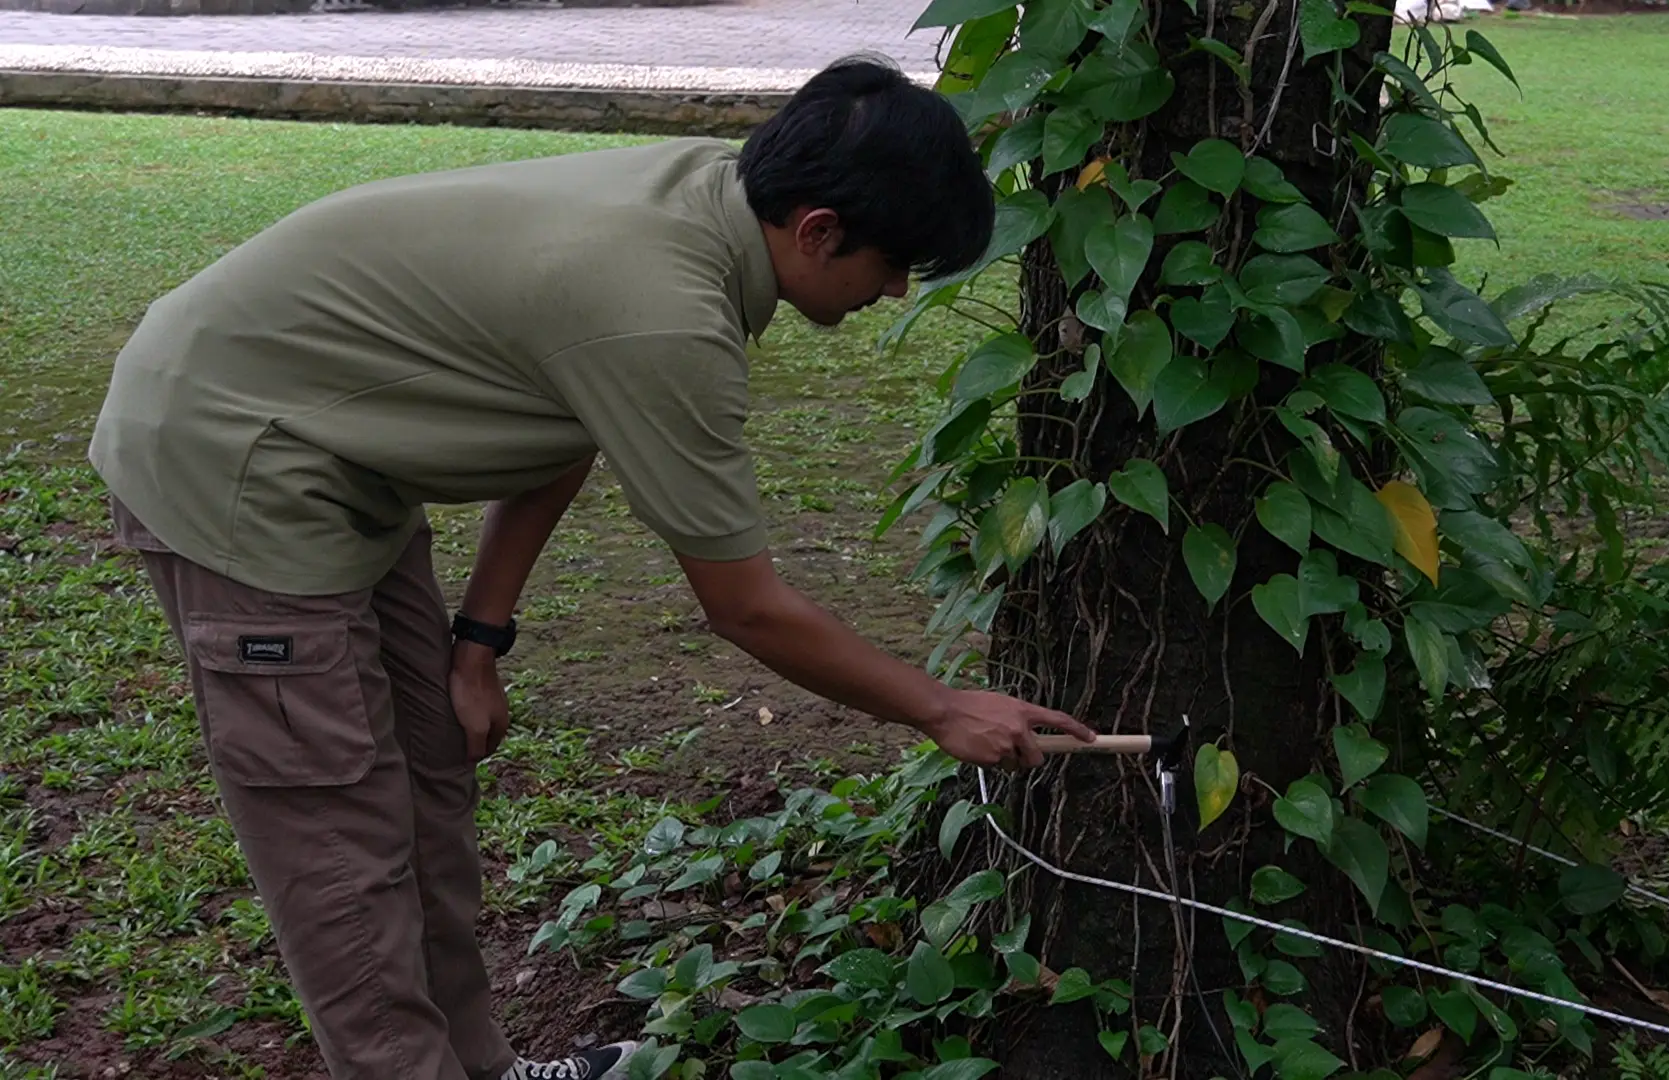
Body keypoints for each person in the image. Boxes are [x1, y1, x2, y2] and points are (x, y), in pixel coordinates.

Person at [87, 56, 1095, 1080]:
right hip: (232, 457)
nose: (891, 292)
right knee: (340, 842)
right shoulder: (665, 309)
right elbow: (746, 608)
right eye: (892, 265)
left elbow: (563, 409)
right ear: (818, 229)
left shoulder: (712, 201)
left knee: (428, 782)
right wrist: (936, 707)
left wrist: (478, 640)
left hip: (337, 456)